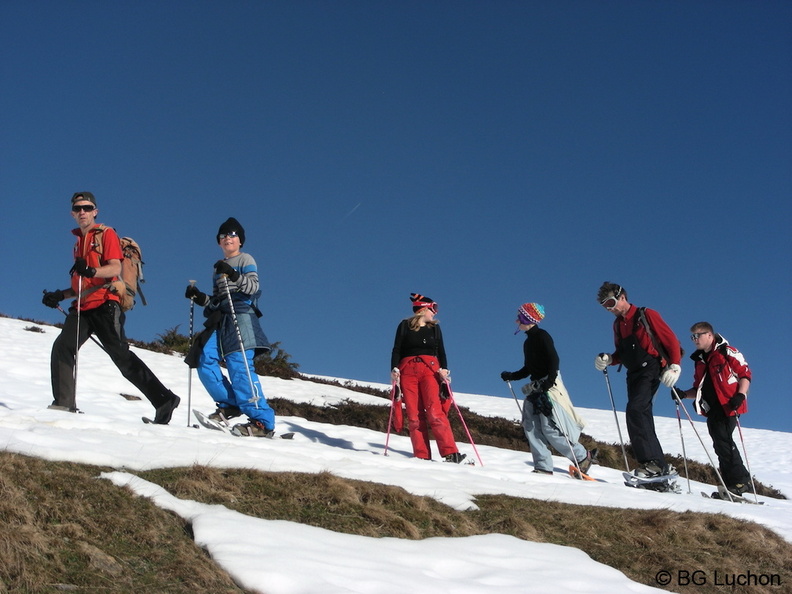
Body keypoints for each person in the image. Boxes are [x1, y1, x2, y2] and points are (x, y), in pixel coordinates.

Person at [42, 192, 181, 423]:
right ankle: (64, 403)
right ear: (72, 214)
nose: (82, 212)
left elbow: (115, 268)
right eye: (78, 209)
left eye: (87, 208)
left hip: (106, 303)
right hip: (83, 306)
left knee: (121, 356)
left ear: (95, 211)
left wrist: (92, 271)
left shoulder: (106, 234)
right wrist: (60, 295)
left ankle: (164, 399)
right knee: (62, 347)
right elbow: (81, 285)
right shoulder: (78, 243)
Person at [185, 217, 276, 437]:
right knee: (204, 359)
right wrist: (200, 298)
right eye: (223, 235)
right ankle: (229, 405)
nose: (228, 238)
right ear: (218, 242)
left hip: (241, 317)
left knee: (240, 366)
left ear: (240, 240)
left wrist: (234, 274)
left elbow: (253, 287)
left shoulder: (246, 259)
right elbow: (217, 301)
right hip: (222, 318)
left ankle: (262, 422)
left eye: (232, 235)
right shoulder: (217, 268)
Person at [594, 282, 682, 479]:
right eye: (605, 306)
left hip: (650, 367)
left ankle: (652, 463)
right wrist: (609, 359)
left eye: (610, 303)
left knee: (636, 408)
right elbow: (621, 353)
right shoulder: (618, 324)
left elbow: (671, 340)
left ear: (622, 297)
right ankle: (658, 466)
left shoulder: (646, 314)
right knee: (638, 412)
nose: (610, 309)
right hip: (632, 372)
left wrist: (675, 365)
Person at [500, 303, 596, 475]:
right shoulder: (528, 342)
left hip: (548, 385)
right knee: (530, 426)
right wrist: (512, 376)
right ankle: (543, 466)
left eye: (519, 317)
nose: (516, 320)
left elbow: (554, 360)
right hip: (535, 386)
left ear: (528, 319)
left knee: (550, 428)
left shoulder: (543, 336)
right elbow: (529, 367)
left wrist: (549, 382)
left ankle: (582, 456)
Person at [673, 322, 752, 496]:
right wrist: (684, 394)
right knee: (719, 443)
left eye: (698, 335)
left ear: (709, 335)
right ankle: (731, 483)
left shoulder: (727, 351)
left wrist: (740, 395)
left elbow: (745, 374)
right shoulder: (700, 361)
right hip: (713, 408)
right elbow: (698, 387)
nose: (694, 340)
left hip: (729, 405)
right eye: (692, 337)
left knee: (723, 440)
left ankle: (741, 481)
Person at [390, 293, 465, 463]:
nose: (435, 313)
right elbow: (397, 349)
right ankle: (421, 455)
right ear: (423, 309)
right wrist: (394, 369)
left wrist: (444, 369)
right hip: (407, 370)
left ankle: (450, 453)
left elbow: (441, 351)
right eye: (434, 309)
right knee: (414, 415)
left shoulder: (434, 328)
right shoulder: (404, 326)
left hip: (430, 370)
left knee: (434, 411)